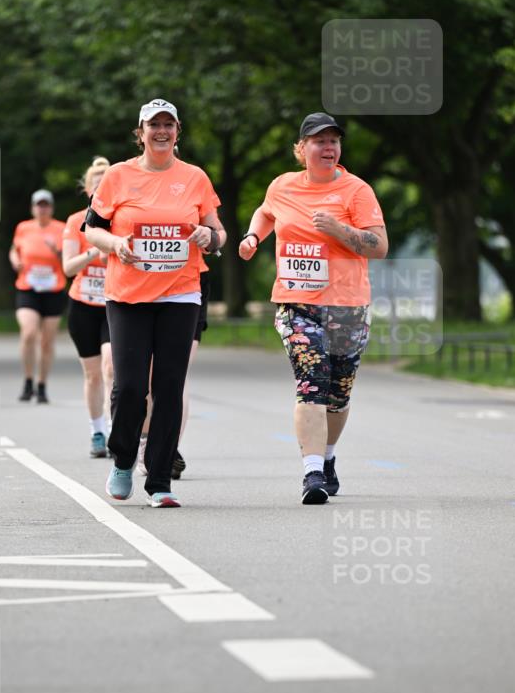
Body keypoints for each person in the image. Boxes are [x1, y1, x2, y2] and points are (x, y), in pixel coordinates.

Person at [239, 112, 388, 505]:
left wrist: (339, 230)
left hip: (348, 307)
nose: (328, 147)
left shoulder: (357, 191)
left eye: (333, 141)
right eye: (319, 141)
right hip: (296, 304)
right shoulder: (282, 185)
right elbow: (266, 211)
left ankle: (328, 455)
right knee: (312, 384)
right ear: (301, 149)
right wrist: (254, 236)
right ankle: (312, 474)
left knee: (338, 395)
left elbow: (379, 246)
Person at [84, 98, 226, 507]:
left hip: (180, 294)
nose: (161, 131)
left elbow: (218, 232)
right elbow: (92, 230)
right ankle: (124, 458)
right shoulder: (117, 176)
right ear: (140, 132)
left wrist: (209, 238)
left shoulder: (195, 177)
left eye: (169, 124)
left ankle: (160, 480)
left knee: (168, 387)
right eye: (153, 125)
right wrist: (116, 243)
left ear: (178, 131)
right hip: (128, 295)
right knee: (129, 387)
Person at [136, 257, 211, 479]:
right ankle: (151, 445)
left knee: (177, 372)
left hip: (189, 279)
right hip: (148, 277)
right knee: (158, 375)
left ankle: (165, 450)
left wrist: (210, 236)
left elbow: (216, 234)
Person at [62, 156, 114, 457]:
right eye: (96, 185)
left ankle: (114, 426)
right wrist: (93, 252)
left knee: (111, 367)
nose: (100, 189)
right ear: (87, 190)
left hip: (113, 303)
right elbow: (68, 267)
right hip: (82, 304)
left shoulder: (121, 218)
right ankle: (97, 431)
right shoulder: (74, 221)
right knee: (93, 373)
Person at [9, 189, 67, 403]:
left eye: (46, 205)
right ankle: (27, 380)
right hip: (28, 288)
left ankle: (42, 385)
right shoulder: (23, 228)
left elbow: (69, 261)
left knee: (47, 341)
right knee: (29, 333)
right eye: (38, 205)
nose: (42, 209)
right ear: (33, 208)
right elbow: (14, 249)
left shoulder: (61, 229)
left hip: (53, 290)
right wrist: (15, 260)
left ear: (51, 208)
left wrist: (57, 252)